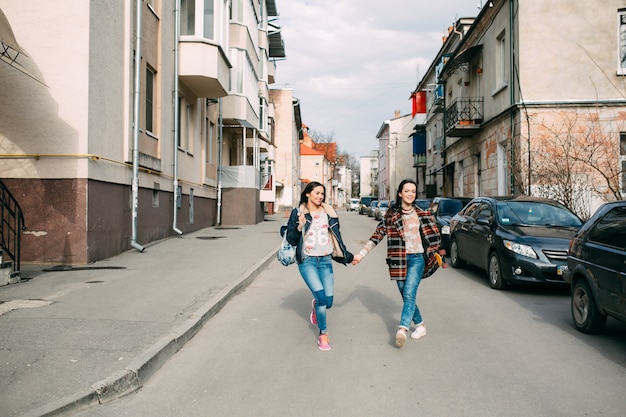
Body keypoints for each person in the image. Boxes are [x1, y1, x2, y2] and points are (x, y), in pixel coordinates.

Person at [352, 179, 441, 348]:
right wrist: (361, 254)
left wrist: (436, 254)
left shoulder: (423, 214)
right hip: (398, 260)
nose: (410, 194)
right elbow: (378, 235)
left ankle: (402, 329)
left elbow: (434, 236)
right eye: (407, 191)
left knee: (408, 294)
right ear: (400, 193)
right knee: (406, 295)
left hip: (417, 258)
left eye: (413, 191)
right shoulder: (392, 216)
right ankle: (421, 325)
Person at [281, 181, 354, 351]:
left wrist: (348, 257)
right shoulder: (298, 212)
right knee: (322, 299)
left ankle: (316, 306)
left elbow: (338, 238)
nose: (320, 196)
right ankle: (323, 334)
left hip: (326, 261)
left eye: (322, 194)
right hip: (307, 261)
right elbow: (291, 239)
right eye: (317, 193)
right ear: (307, 194)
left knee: (328, 302)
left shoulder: (329, 213)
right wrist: (299, 226)